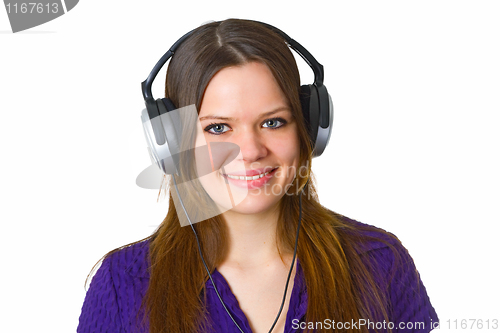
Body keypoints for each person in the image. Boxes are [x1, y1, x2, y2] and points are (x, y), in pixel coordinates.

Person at [77, 19, 438, 333]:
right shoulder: (123, 282)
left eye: (272, 122)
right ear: (172, 144)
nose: (249, 150)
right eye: (219, 127)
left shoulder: (378, 260)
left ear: (308, 130)